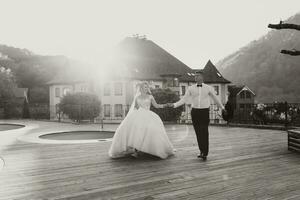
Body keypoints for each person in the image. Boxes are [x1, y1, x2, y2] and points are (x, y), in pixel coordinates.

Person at [167, 71, 225, 161]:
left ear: (202, 77)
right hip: (195, 112)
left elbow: (215, 98)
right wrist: (174, 105)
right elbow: (184, 99)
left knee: (204, 132)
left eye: (197, 76)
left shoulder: (209, 88)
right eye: (195, 76)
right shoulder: (190, 88)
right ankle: (201, 151)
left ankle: (205, 153)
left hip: (205, 112)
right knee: (198, 132)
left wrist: (222, 107)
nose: (195, 77)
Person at [108, 82, 175, 159]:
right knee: (135, 131)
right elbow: (135, 107)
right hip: (138, 115)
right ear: (141, 88)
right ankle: (137, 150)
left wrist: (165, 105)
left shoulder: (150, 97)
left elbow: (156, 106)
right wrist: (131, 117)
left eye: (147, 87)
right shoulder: (137, 97)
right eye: (144, 87)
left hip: (148, 115)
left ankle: (149, 149)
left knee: (151, 130)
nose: (146, 88)